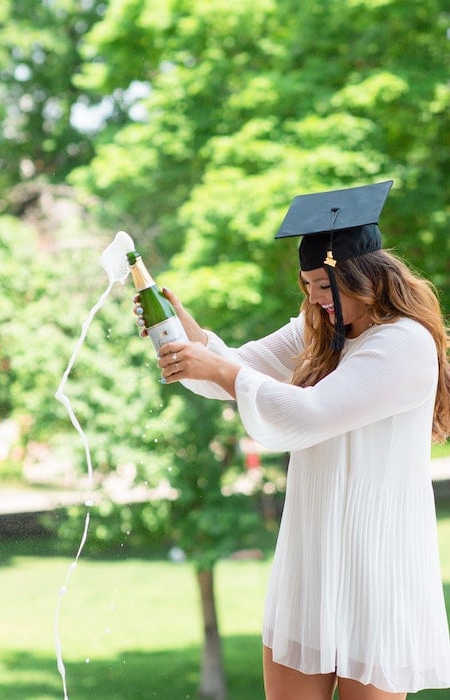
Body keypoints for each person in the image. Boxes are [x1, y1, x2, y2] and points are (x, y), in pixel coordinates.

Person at [133, 180, 450, 700]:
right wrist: (178, 329)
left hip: (376, 566)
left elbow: (307, 414)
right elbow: (236, 369)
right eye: (306, 287)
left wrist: (220, 368)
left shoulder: (403, 345)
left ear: (364, 278)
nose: (314, 300)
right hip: (311, 555)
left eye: (323, 286)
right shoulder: (320, 331)